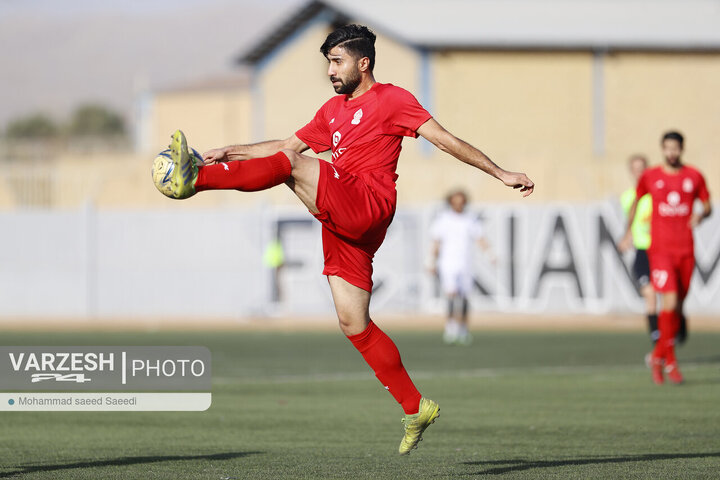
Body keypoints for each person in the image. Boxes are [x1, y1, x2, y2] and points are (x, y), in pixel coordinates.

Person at [162, 24, 534, 453]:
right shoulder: (332, 111)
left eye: (337, 62)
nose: (330, 72)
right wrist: (234, 150)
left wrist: (501, 173)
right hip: (342, 218)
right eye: (327, 63)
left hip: (368, 201)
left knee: (289, 166)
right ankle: (415, 406)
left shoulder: (393, 100)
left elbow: (446, 140)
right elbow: (287, 145)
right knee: (353, 322)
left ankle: (195, 182)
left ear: (364, 62)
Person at [620, 131, 711, 385]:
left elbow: (707, 204)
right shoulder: (651, 177)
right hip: (660, 251)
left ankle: (660, 355)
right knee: (667, 301)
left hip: (686, 250)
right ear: (662, 149)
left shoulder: (694, 176)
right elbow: (637, 203)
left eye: (675, 148)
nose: (671, 153)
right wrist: (627, 232)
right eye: (667, 148)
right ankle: (669, 362)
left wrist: (701, 215)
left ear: (682, 149)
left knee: (679, 306)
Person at [429, 189, 495, 345]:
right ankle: (451, 327)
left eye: (461, 202)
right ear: (450, 202)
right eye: (455, 202)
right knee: (451, 294)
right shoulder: (443, 220)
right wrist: (431, 261)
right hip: (448, 263)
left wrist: (490, 254)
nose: (458, 205)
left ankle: (463, 327)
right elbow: (436, 242)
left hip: (465, 262)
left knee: (464, 296)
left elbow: (480, 238)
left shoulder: (470, 219)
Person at [620, 154, 658, 342]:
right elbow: (630, 220)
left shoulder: (657, 194)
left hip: (661, 249)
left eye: (641, 168)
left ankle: (675, 326)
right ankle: (656, 334)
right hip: (642, 250)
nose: (638, 172)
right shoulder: (628, 197)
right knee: (649, 293)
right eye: (635, 169)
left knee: (671, 297)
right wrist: (626, 235)